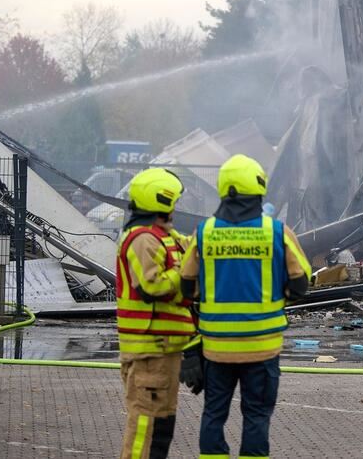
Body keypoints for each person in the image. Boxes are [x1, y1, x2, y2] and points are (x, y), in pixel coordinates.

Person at [181, 154, 311, 459]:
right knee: (256, 415)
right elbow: (300, 283)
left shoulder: (204, 232)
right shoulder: (276, 232)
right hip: (262, 348)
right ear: (259, 186)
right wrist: (278, 297)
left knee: (214, 413)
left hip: (216, 348)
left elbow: (186, 285)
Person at [116, 168, 196, 459]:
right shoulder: (143, 239)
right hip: (148, 352)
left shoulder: (165, 236)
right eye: (174, 201)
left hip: (165, 350)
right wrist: (184, 272)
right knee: (145, 427)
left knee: (162, 426)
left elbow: (193, 247)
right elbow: (151, 286)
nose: (176, 208)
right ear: (162, 201)